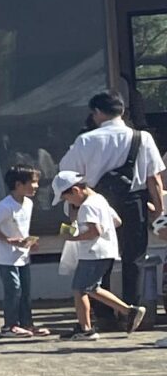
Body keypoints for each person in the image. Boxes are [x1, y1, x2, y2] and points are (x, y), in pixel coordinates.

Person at [57, 93, 164, 328]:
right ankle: (133, 313)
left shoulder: (86, 140)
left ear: (98, 112)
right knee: (134, 257)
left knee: (97, 256)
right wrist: (159, 209)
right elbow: (153, 177)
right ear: (122, 111)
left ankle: (103, 315)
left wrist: (73, 208)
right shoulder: (141, 137)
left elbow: (67, 172)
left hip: (97, 201)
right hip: (134, 201)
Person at [54, 171, 148, 338]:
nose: (69, 203)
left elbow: (94, 231)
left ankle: (86, 329)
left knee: (80, 289)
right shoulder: (100, 199)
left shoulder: (87, 206)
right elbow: (117, 221)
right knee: (92, 288)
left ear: (75, 191)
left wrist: (73, 237)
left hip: (93, 252)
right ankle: (128, 311)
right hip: (106, 250)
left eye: (67, 198)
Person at [0, 164, 49, 339]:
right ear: (18, 184)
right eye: (32, 182)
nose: (36, 186)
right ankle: (9, 326)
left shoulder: (28, 203)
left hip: (22, 255)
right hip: (5, 257)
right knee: (14, 289)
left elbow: (21, 228)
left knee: (25, 290)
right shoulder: (4, 206)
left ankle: (27, 324)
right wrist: (7, 239)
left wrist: (29, 243)